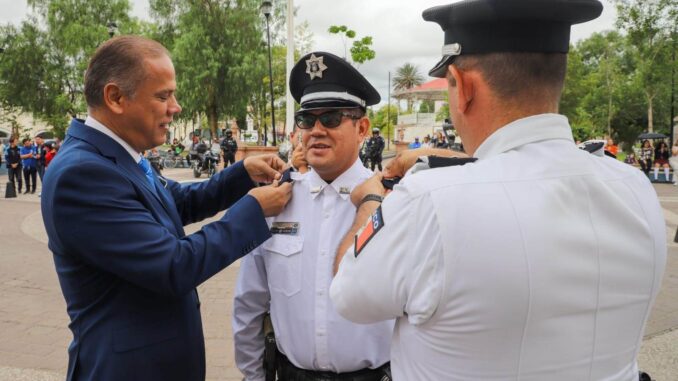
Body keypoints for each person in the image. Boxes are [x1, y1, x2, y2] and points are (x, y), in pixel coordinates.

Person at [330, 1, 666, 380]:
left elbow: (347, 294)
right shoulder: (633, 187)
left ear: (463, 88)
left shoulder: (429, 203)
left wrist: (371, 201)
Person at [40, 35, 292, 381]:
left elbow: (176, 201)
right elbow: (174, 266)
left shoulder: (116, 157)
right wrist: (253, 210)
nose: (176, 107)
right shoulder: (83, 173)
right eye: (163, 95)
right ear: (115, 97)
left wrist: (241, 175)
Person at [233, 51, 393, 381]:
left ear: (362, 127)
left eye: (331, 118)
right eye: (307, 119)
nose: (316, 130)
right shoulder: (276, 203)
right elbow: (249, 303)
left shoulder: (394, 202)